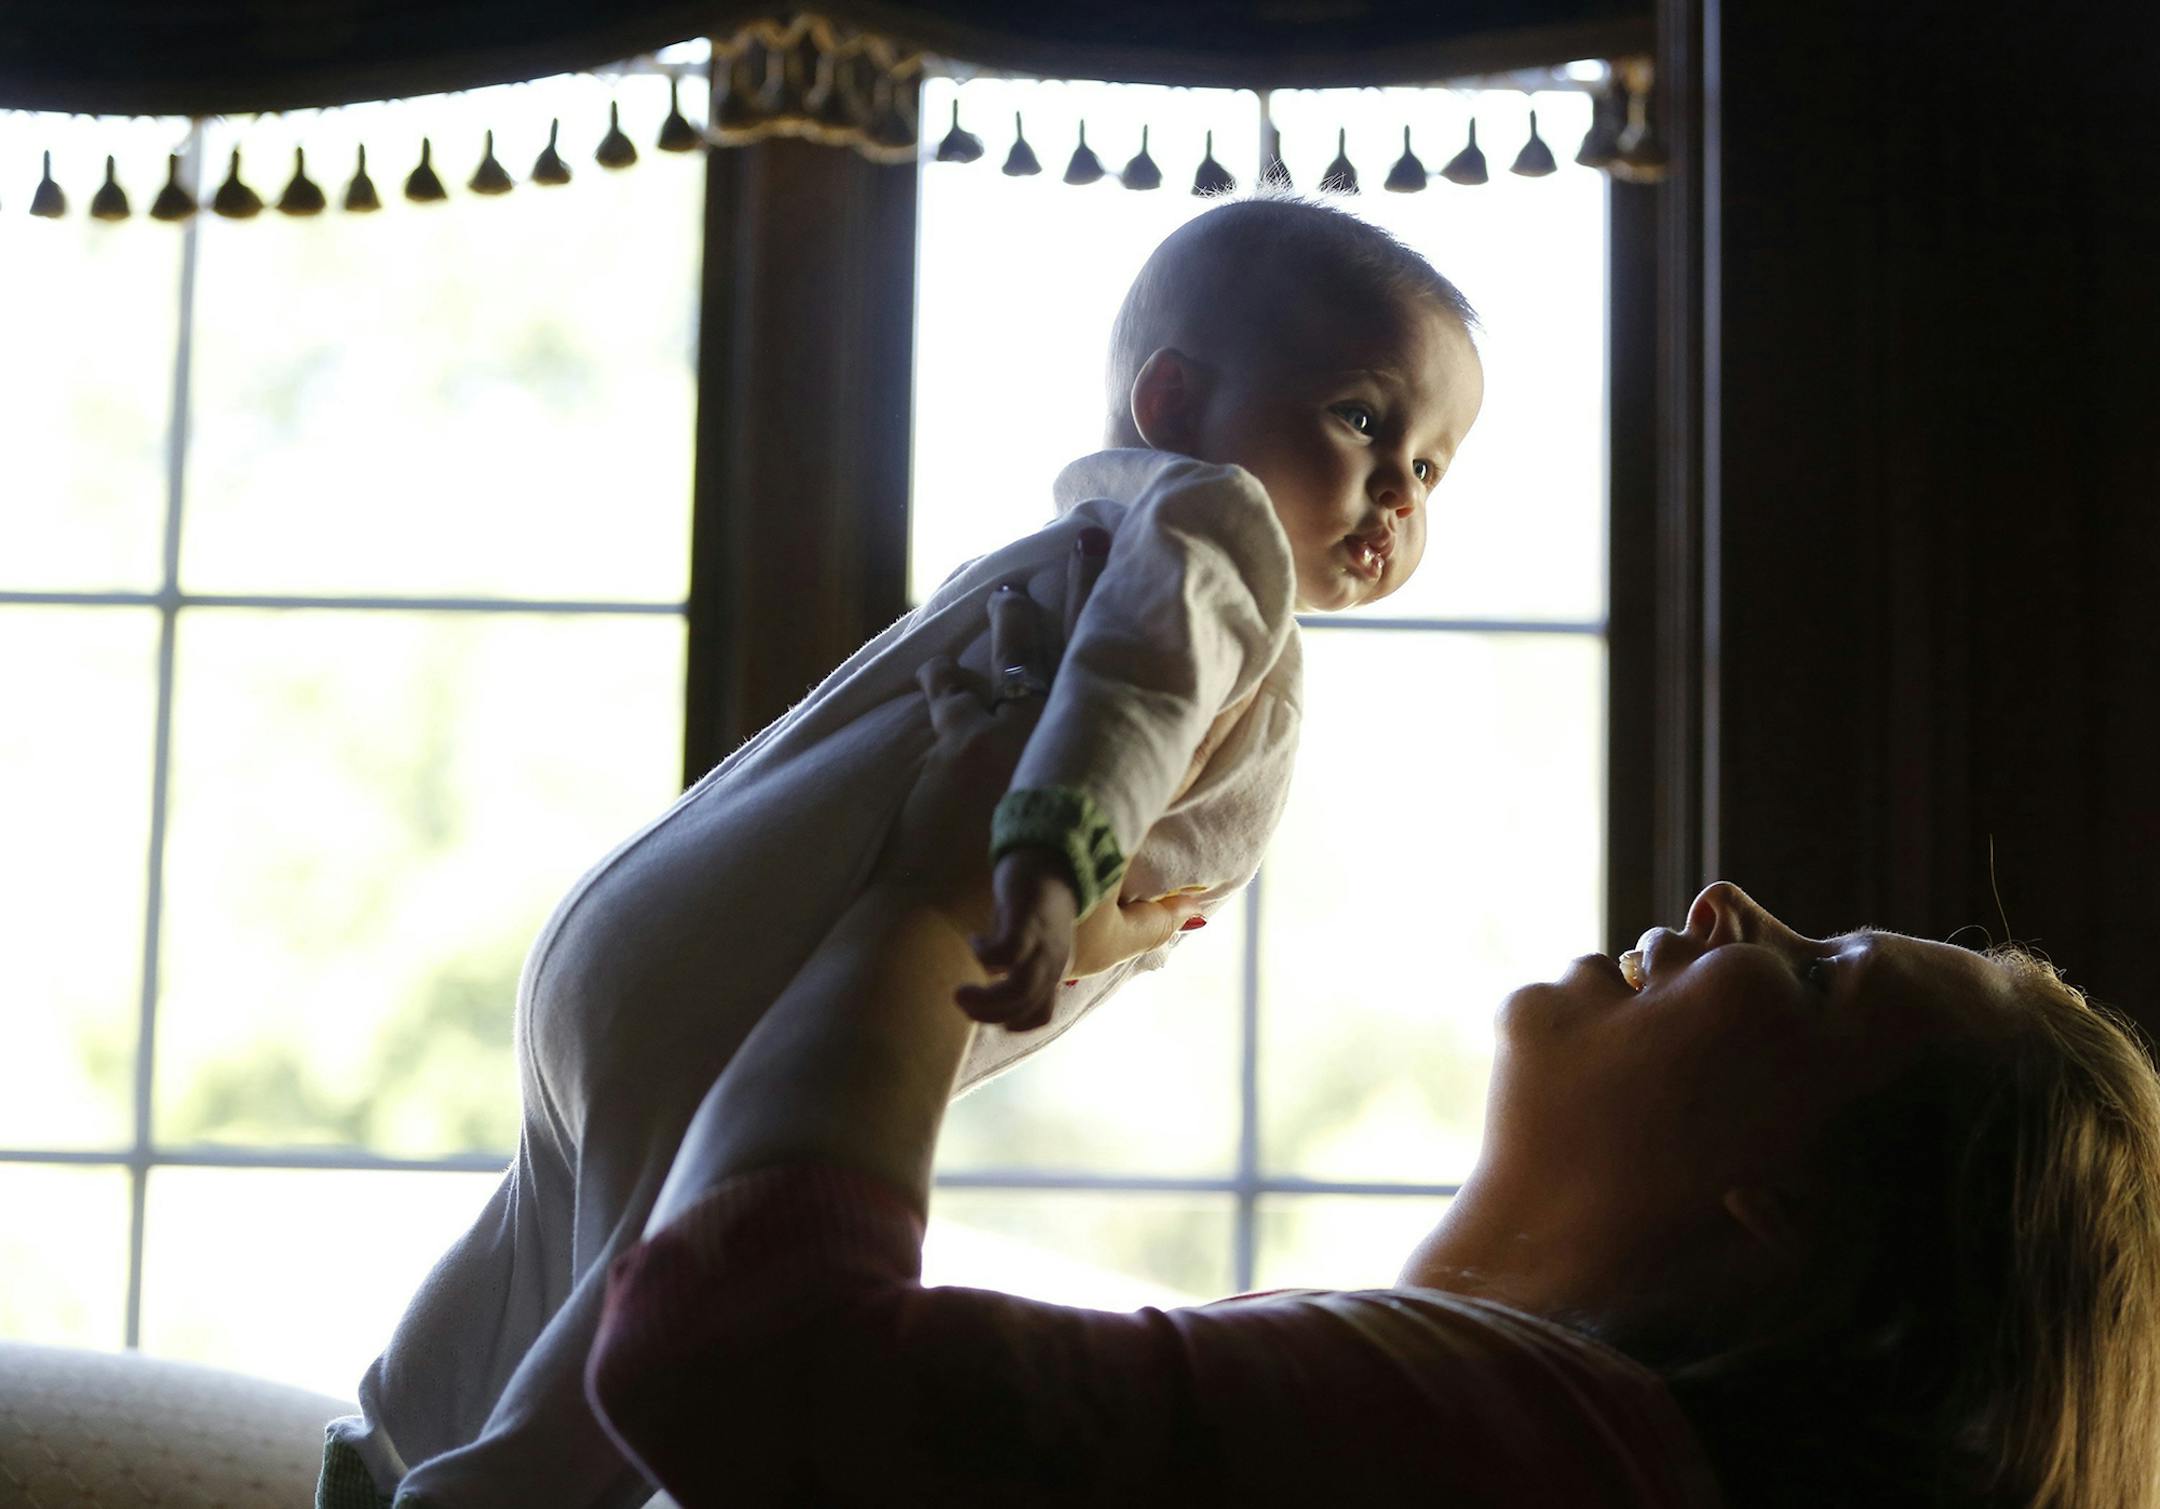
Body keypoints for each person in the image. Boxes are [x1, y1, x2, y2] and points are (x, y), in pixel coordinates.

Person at [318, 193, 1486, 1509]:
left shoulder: (1072, 539)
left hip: (653, 931)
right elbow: (1132, 700)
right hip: (756, 1000)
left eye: (1433, 468)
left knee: (533, 1252)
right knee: (637, 1312)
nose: (1399, 489)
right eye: (1365, 421)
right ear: (1171, 400)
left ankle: (389, 1443)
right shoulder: (1218, 533)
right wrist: (1051, 857)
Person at [583, 588, 2160, 1509]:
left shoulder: (1510, 1437)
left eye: (1817, 979)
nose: (1729, 902)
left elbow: (745, 1362)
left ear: (1798, 1222)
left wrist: (946, 900)